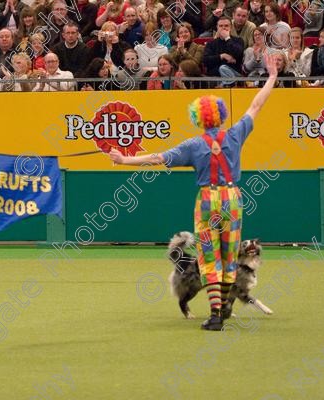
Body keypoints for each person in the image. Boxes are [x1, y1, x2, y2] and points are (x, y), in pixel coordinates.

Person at [109, 54, 278, 331]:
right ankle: (224, 308)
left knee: (209, 259)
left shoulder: (192, 145)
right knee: (228, 258)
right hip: (233, 200)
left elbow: (156, 158)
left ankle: (214, 316)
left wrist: (124, 160)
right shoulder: (235, 135)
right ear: (221, 116)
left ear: (198, 119)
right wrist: (271, 76)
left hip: (208, 202)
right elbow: (256, 104)